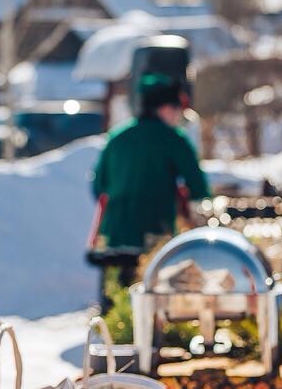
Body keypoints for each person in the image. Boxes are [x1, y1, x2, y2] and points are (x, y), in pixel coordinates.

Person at [90, 73, 211, 292]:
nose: (178, 116)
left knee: (115, 296)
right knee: (150, 293)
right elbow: (198, 186)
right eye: (177, 110)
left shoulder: (117, 137)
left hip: (115, 234)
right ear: (165, 108)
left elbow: (99, 185)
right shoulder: (173, 139)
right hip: (154, 230)